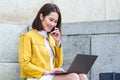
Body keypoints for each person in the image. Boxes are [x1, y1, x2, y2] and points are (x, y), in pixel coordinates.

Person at [18, 3, 88, 80]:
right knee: (73, 77)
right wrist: (46, 71)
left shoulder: (51, 38)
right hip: (38, 76)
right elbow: (24, 65)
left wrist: (58, 43)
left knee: (82, 76)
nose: (53, 24)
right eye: (51, 20)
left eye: (55, 21)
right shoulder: (27, 37)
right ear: (41, 16)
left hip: (51, 75)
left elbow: (58, 64)